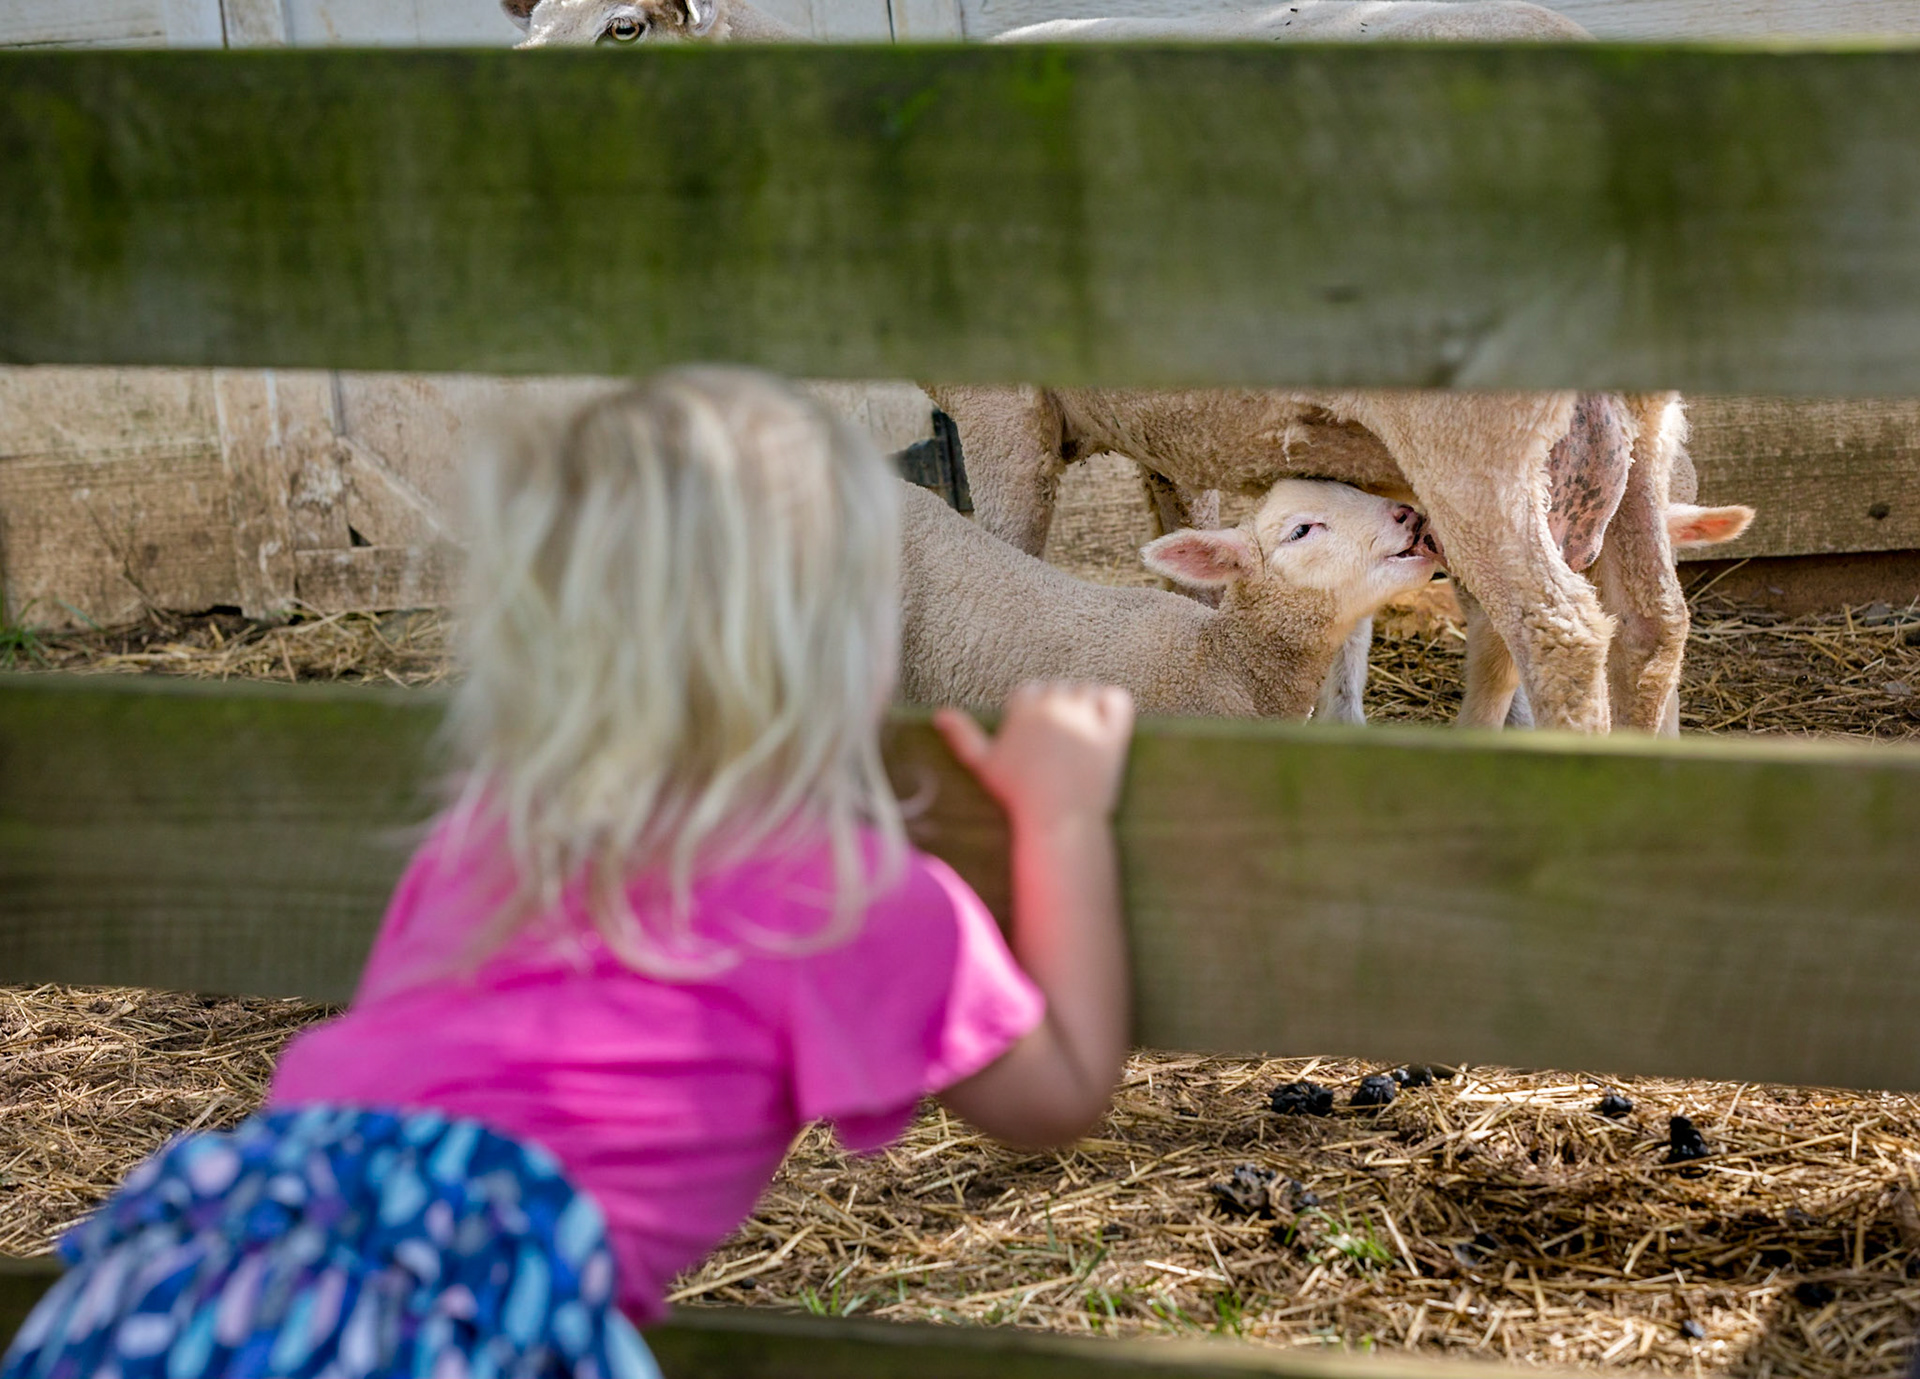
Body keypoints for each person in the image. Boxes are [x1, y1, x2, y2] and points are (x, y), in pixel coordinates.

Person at [2, 368, 1134, 1379]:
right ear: (849, 633)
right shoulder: (840, 892)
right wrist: (1064, 814)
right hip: (456, 1322)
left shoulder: (493, 830)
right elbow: (1055, 1088)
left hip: (212, 1260)